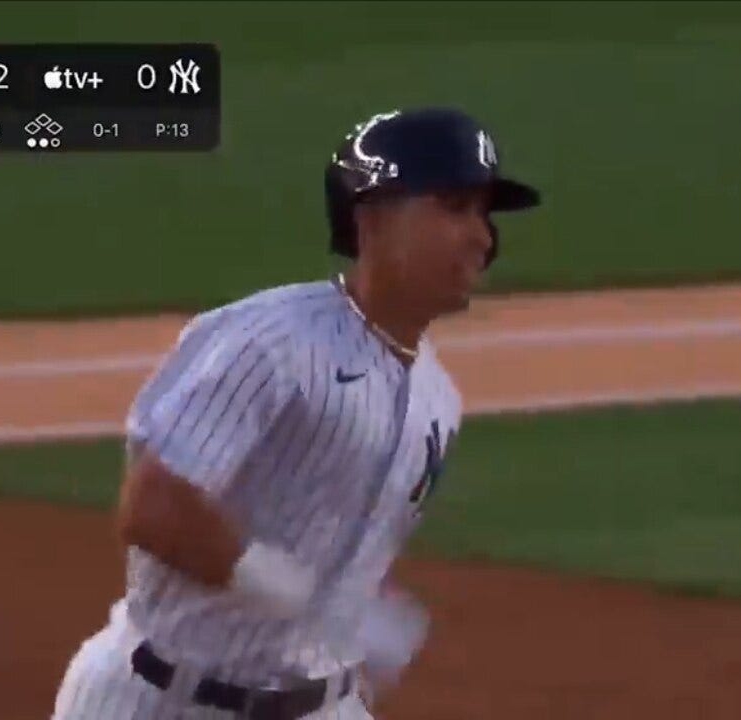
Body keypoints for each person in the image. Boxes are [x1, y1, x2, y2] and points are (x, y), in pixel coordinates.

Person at [50, 107, 542, 719]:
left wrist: (347, 615)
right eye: (454, 206)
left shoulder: (438, 400)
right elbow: (154, 506)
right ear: (373, 220)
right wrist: (295, 594)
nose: (482, 235)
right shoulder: (270, 342)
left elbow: (328, 536)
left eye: (483, 213)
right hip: (162, 700)